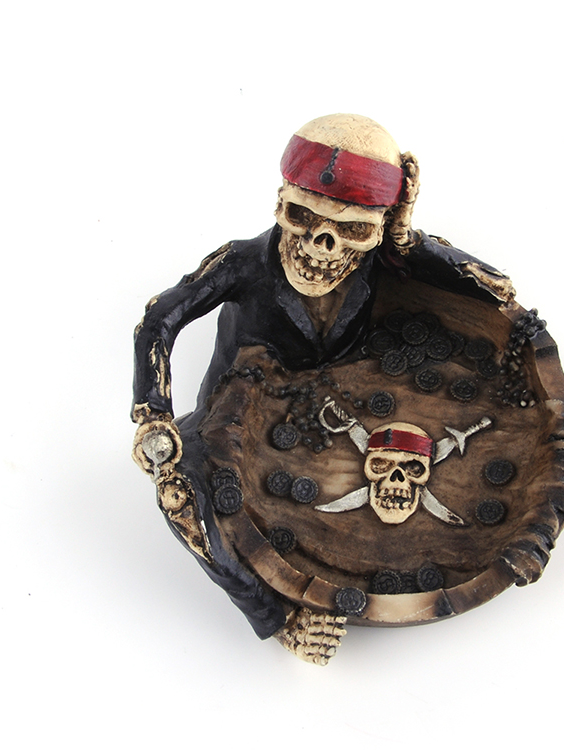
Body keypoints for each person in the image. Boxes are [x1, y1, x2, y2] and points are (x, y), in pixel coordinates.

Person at [131, 114, 514, 660]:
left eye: (352, 229)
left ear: (377, 229)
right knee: (179, 494)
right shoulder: (243, 263)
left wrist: (405, 240)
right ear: (280, 203)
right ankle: (278, 618)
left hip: (335, 413)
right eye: (302, 217)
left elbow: (498, 290)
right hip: (235, 419)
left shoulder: (381, 257)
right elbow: (158, 321)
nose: (323, 245)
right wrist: (152, 412)